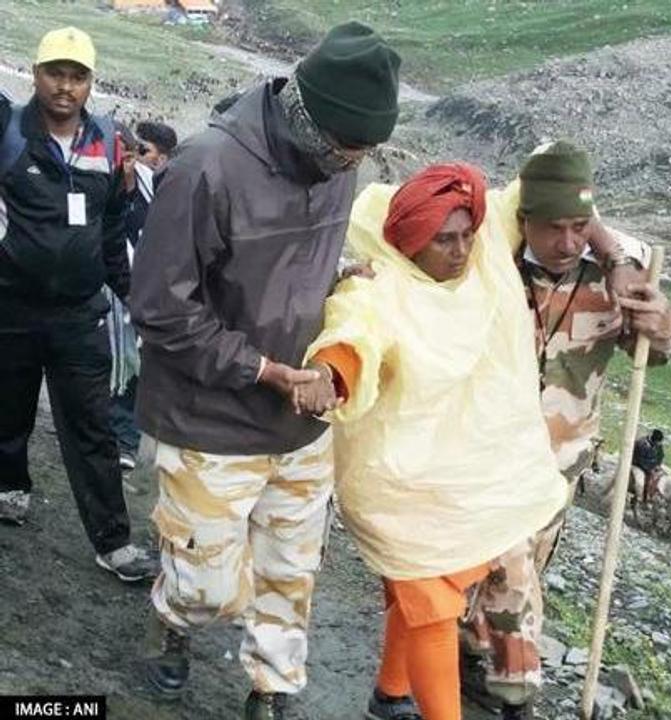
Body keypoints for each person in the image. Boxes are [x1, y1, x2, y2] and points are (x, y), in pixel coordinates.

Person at [129, 22, 401, 718]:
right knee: (209, 588)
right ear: (308, 118)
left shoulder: (340, 163)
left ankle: (272, 688)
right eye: (347, 151)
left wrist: (340, 273)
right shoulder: (206, 168)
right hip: (209, 420)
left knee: (291, 572)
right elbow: (160, 310)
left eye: (365, 154)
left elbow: (283, 267)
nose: (354, 165)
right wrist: (268, 372)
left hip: (303, 425)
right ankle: (176, 617)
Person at [297, 163, 569, 720]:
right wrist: (331, 374)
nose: (461, 248)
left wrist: (614, 254)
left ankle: (391, 692)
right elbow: (353, 334)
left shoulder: (485, 256)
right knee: (431, 604)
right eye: (444, 239)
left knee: (426, 594)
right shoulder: (379, 283)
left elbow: (546, 169)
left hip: (459, 476)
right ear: (412, 239)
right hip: (397, 483)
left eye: (467, 234)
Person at [462, 140, 671, 719]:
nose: (567, 242)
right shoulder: (486, 262)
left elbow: (656, 351)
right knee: (511, 578)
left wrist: (661, 328)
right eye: (552, 227)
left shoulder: (614, 278)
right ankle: (518, 695)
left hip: (561, 463)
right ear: (524, 220)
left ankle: (473, 657)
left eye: (580, 226)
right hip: (486, 458)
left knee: (522, 574)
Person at [0, 26, 157, 582]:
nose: (65, 87)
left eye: (77, 76)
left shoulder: (110, 144)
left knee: (92, 428)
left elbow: (113, 228)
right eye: (55, 73)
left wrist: (134, 296)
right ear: (36, 74)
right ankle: (11, 485)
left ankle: (113, 543)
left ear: (91, 83)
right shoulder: (8, 131)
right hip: (9, 308)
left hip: (78, 315)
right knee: (7, 407)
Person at [108, 121, 175, 470]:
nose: (131, 156)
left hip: (143, 288)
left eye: (141, 150)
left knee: (133, 364)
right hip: (109, 284)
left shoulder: (160, 191)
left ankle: (126, 440)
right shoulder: (110, 182)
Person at [633, 428, 666, 504]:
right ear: (655, 440)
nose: (659, 443)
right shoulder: (642, 443)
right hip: (639, 465)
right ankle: (642, 498)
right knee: (644, 481)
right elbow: (640, 459)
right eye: (658, 442)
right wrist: (651, 468)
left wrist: (657, 465)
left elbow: (661, 456)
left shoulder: (658, 446)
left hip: (651, 465)